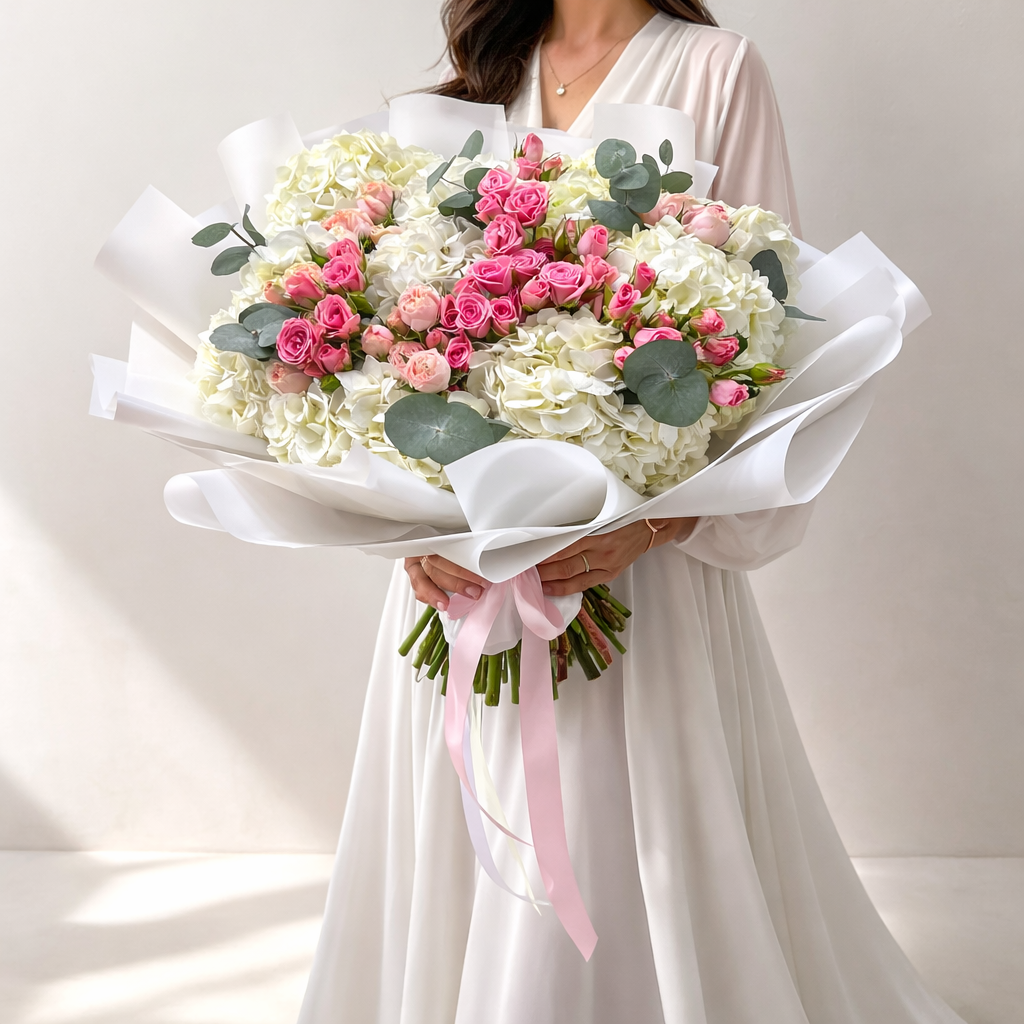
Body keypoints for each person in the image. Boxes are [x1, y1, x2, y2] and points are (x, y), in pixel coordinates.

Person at [298, 2, 964, 1022]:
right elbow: (401, 331)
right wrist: (412, 532)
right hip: (468, 568)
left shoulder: (716, 68)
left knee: (619, 819)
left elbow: (766, 338)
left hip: (631, 571)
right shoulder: (486, 73)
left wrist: (652, 524)